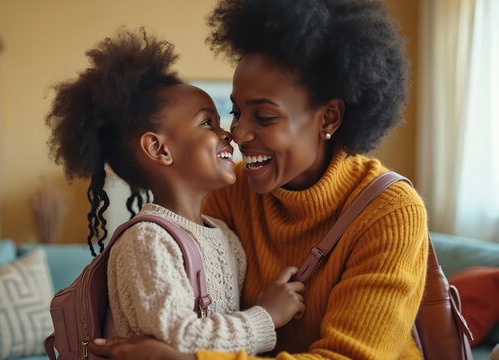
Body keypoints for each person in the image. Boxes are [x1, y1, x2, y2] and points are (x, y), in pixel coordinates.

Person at [88, 0, 429, 359]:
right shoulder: (230, 194)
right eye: (236, 112)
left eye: (264, 117)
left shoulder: (390, 213)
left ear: (328, 118)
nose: (238, 133)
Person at [45, 28, 306, 355]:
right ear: (158, 148)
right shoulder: (147, 242)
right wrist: (266, 316)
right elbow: (178, 341)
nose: (229, 134)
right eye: (207, 123)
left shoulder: (226, 237)